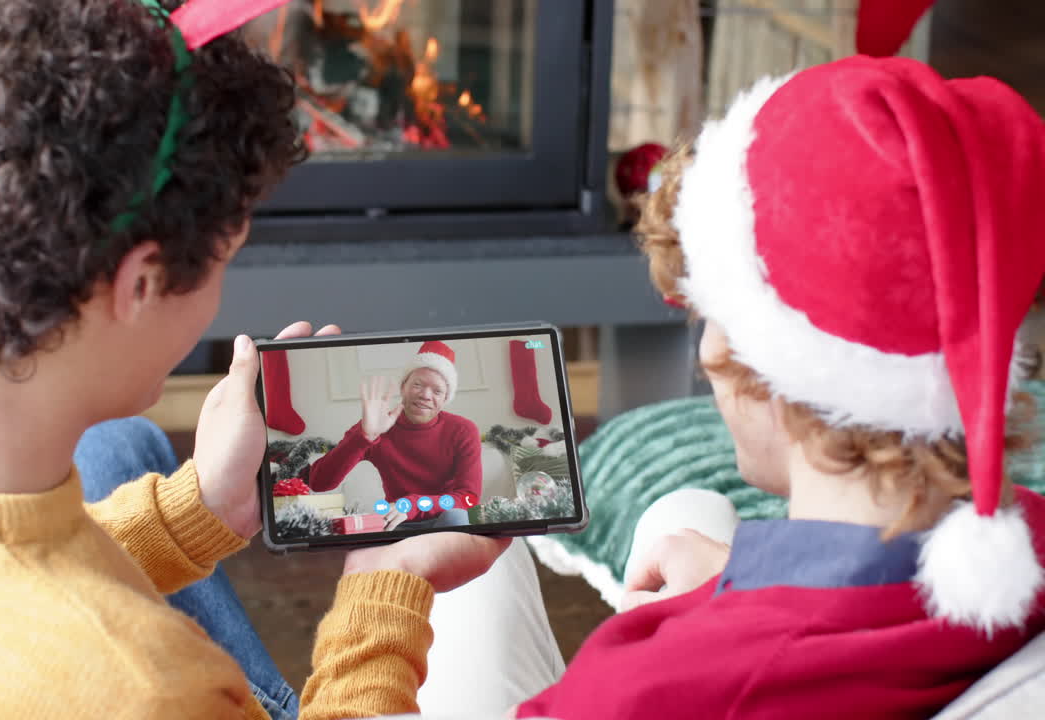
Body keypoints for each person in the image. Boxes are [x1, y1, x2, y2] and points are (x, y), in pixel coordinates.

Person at [0, 1, 509, 719]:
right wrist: (385, 579)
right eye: (226, 260)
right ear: (142, 283)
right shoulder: (151, 690)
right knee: (500, 592)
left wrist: (205, 508)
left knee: (120, 447)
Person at [398, 54, 1045, 719]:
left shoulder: (648, 690)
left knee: (454, 563)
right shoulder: (1027, 547)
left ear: (740, 354)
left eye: (710, 312)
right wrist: (734, 582)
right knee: (686, 510)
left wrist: (382, 590)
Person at [307, 341, 482, 530]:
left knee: (456, 516)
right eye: (417, 385)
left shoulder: (463, 430)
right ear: (403, 387)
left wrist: (411, 505)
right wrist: (363, 437)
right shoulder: (377, 426)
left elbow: (468, 498)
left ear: (445, 398)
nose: (425, 395)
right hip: (397, 525)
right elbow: (318, 483)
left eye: (437, 391)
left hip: (445, 523)